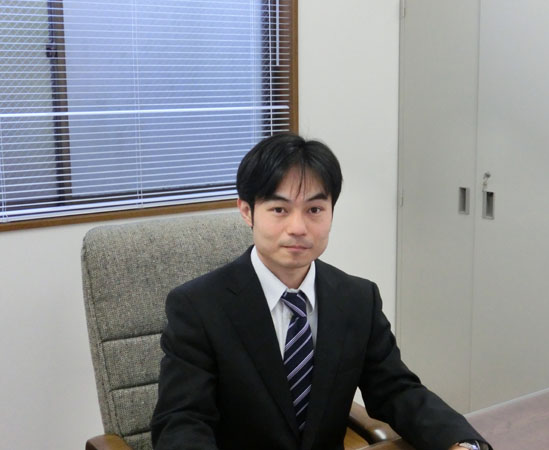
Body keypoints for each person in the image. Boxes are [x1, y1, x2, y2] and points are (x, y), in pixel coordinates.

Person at [151, 133, 491, 450]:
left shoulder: (357, 299)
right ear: (246, 211)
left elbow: (396, 390)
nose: (298, 228)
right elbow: (182, 421)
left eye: (314, 210)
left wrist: (461, 443)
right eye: (279, 210)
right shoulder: (198, 306)